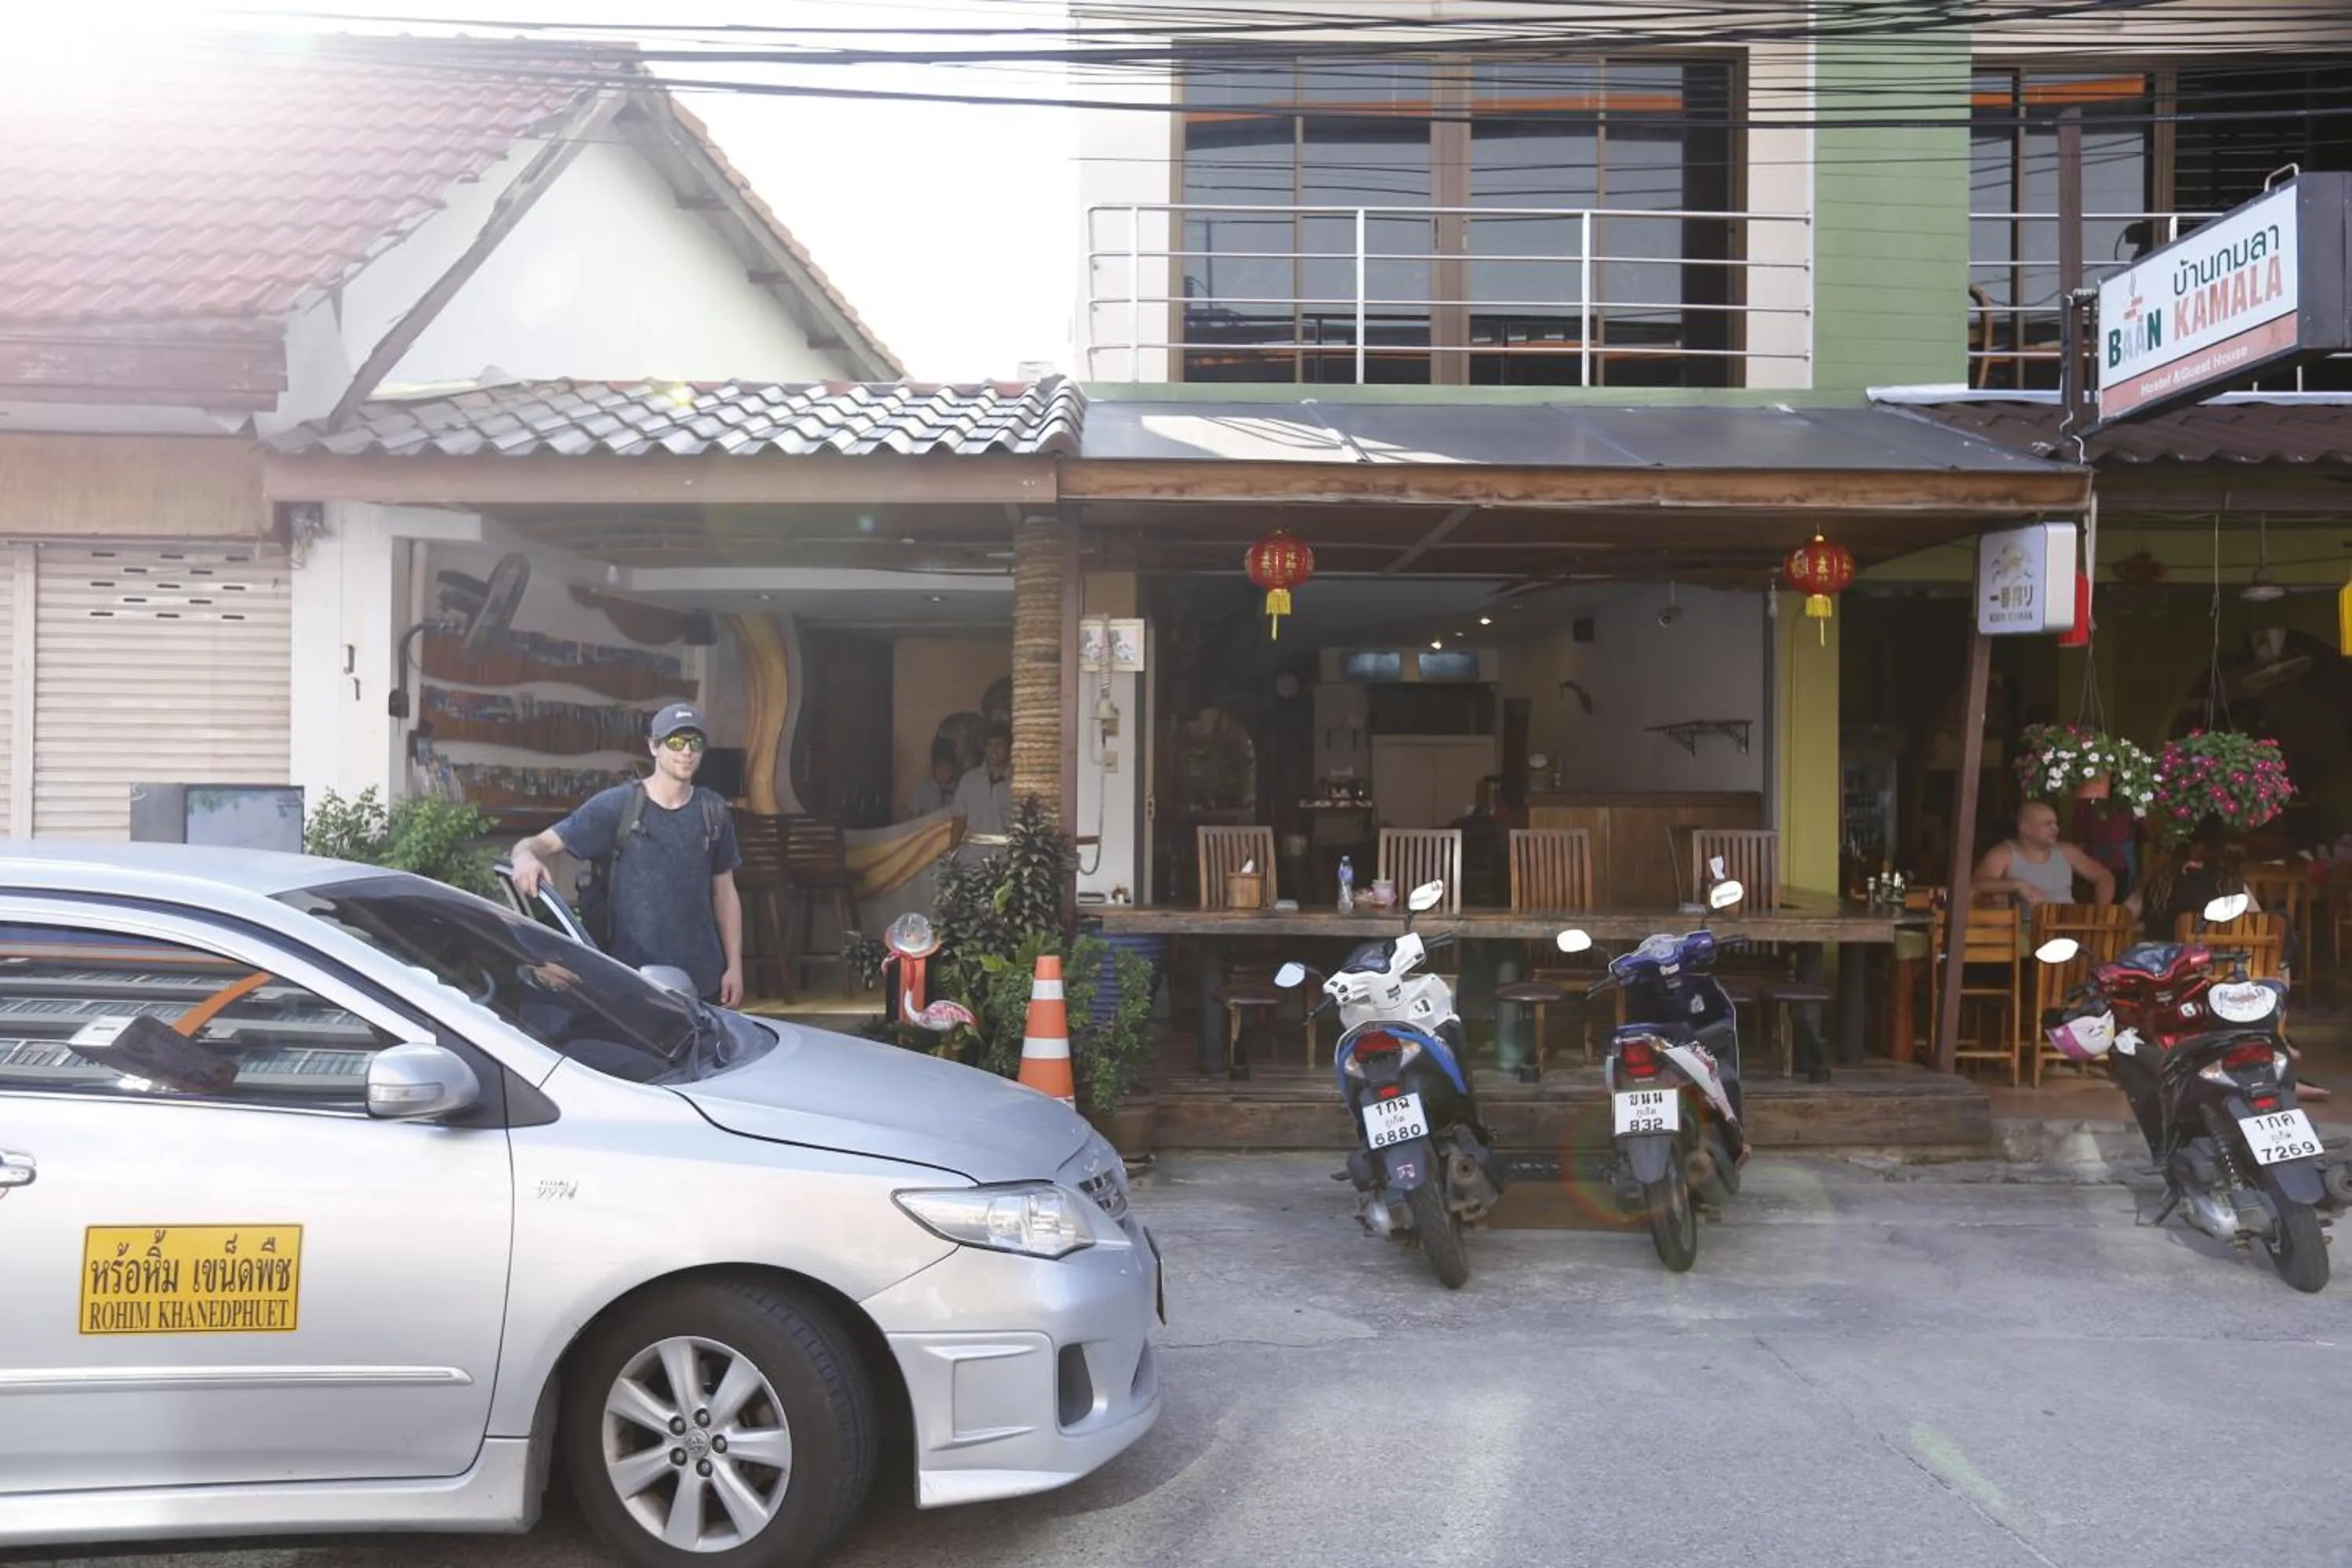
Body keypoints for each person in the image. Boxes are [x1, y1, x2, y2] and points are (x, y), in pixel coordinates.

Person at [510, 702, 746, 1007]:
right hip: (628, 980)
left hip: (702, 980)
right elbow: (536, 844)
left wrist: (734, 966)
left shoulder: (713, 811)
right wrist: (525, 858)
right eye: (675, 742)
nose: (686, 751)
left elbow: (725, 893)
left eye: (695, 742)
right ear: (653, 747)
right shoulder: (617, 806)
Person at [1973, 799, 2114, 908]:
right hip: (2026, 931)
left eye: (2056, 824)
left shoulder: (2067, 852)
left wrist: (2101, 914)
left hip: (2068, 925)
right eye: (2048, 824)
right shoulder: (2004, 854)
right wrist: (2018, 885)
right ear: (2025, 828)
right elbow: (1977, 884)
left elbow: (2104, 877)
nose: (2056, 829)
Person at [951, 721, 1014, 844]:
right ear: (984, 748)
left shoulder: (1019, 783)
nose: (994, 751)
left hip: (1007, 857)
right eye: (990, 745)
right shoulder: (969, 780)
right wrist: (951, 855)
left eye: (1000, 745)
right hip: (972, 857)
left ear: (1008, 748)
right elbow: (958, 822)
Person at [906, 740, 962, 820]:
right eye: (940, 769)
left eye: (948, 770)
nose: (944, 774)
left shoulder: (959, 789)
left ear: (953, 770)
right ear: (934, 769)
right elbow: (913, 816)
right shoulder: (924, 789)